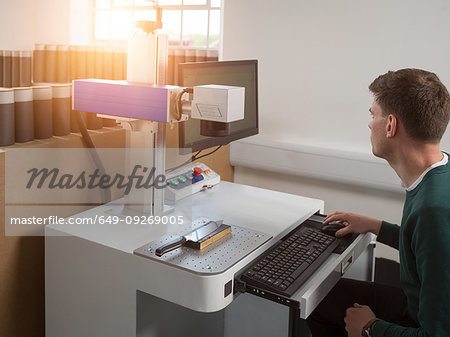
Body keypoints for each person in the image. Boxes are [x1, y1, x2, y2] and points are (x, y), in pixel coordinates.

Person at [307, 68, 450, 337]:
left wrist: (371, 328)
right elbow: (424, 246)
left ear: (390, 125)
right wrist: (374, 225)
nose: (369, 124)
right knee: (321, 299)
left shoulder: (435, 210)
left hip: (420, 322)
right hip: (420, 304)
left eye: (373, 115)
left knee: (321, 306)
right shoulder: (439, 171)